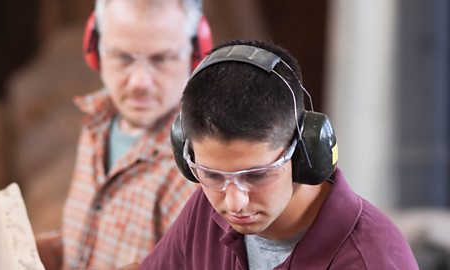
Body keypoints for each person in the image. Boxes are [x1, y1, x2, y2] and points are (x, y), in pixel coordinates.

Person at [130, 40, 419, 269]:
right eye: (211, 175)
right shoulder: (206, 212)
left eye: (257, 175)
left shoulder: (370, 260)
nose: (234, 203)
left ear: (305, 152)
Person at [36, 0, 212, 269]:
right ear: (95, 50)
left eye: (161, 58)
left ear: (196, 53)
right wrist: (44, 250)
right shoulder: (98, 122)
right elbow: (94, 242)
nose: (139, 82)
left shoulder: (198, 169)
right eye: (122, 57)